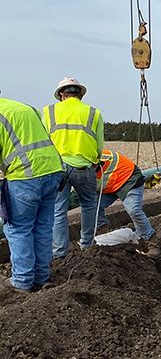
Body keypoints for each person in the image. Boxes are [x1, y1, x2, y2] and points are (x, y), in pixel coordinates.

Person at [0, 94, 64, 293]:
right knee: (43, 227)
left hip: (25, 176)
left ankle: (22, 281)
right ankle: (41, 277)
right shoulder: (25, 105)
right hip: (53, 170)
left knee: (19, 228)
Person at [43, 78, 104, 258]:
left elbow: (44, 139)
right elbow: (99, 144)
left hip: (57, 167)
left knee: (57, 209)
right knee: (89, 204)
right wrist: (95, 159)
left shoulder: (48, 111)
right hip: (84, 166)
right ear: (80, 95)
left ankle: (59, 252)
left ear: (61, 95)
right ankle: (87, 245)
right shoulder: (94, 112)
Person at [95, 149, 160, 256]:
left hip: (129, 179)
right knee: (92, 206)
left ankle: (150, 241)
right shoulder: (78, 162)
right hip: (110, 185)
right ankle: (103, 236)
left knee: (134, 210)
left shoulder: (88, 160)